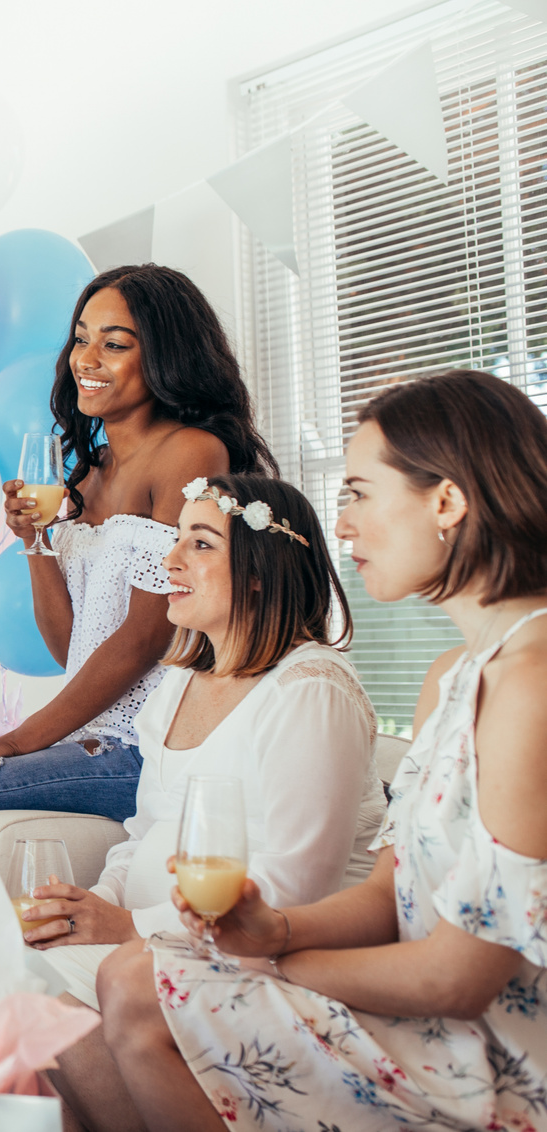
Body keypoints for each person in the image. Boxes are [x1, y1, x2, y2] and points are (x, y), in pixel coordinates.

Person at [66, 370, 547, 1132]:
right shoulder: (450, 677)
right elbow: (392, 891)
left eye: (358, 492)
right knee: (95, 1001)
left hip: (493, 1053)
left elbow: (459, 978)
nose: (342, 526)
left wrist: (260, 959)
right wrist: (270, 930)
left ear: (447, 502)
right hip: (421, 1002)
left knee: (136, 982)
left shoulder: (533, 684)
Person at [0, 265, 276, 834]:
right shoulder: (88, 472)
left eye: (115, 344)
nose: (87, 359)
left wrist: (14, 741)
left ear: (166, 359)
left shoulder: (190, 453)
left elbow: (148, 635)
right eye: (81, 338)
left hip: (148, 745)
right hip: (90, 737)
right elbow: (68, 648)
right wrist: (37, 542)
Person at [19, 475, 382, 1016]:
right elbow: (142, 835)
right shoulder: (177, 685)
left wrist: (129, 927)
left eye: (201, 542)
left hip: (262, 959)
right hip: (149, 944)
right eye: (178, 537)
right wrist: (99, 904)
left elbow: (298, 885)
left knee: (21, 984)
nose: (171, 559)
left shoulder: (311, 690)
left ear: (259, 572)